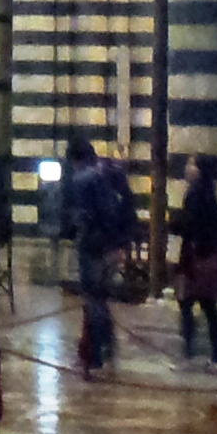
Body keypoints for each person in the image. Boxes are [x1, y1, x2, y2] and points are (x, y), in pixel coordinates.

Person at [64, 130, 136, 374]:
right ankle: (106, 348)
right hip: (114, 245)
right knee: (101, 298)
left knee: (93, 300)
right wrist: (121, 243)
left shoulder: (83, 179)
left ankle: (95, 355)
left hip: (94, 247)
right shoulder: (111, 170)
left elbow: (82, 217)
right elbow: (127, 206)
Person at [175, 155, 217, 365]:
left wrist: (177, 225)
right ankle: (215, 353)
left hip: (195, 258)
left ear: (198, 170)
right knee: (206, 305)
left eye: (191, 164)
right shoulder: (208, 192)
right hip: (207, 256)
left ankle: (191, 351)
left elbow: (190, 226)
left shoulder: (195, 194)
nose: (187, 168)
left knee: (189, 303)